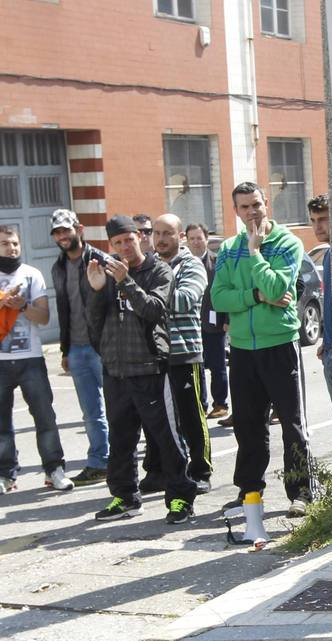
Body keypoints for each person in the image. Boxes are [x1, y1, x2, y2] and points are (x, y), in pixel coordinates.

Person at [209, 183, 313, 518]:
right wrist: (254, 297)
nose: (251, 212)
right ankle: (249, 490)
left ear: (266, 203)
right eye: (244, 207)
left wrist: (255, 255)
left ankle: (301, 493)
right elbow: (218, 298)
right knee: (248, 425)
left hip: (279, 343)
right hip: (241, 348)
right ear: (236, 211)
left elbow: (278, 287)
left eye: (256, 205)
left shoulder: (286, 243)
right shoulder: (227, 248)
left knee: (292, 424)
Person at [85, 215, 196, 524]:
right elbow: (93, 324)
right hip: (116, 370)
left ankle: (180, 498)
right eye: (117, 243)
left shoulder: (158, 270)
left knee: (166, 437)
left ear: (139, 238)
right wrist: (96, 291)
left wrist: (126, 282)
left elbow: (153, 309)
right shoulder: (105, 275)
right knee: (120, 439)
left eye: (129, 240)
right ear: (111, 245)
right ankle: (125, 497)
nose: (124, 247)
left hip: (150, 367)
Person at [142, 214, 212, 492]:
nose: (160, 239)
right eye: (156, 233)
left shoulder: (191, 265)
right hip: (153, 355)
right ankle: (158, 470)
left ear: (180, 236)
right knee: (156, 418)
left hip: (185, 351)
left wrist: (152, 291)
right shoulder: (149, 266)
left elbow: (185, 300)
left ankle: (201, 471)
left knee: (191, 415)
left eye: (167, 233)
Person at [0, 225, 71, 494]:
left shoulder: (32, 275)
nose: (12, 248)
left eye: (15, 243)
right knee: (1, 424)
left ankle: (54, 470)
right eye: (6, 243)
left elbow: (43, 318)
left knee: (45, 418)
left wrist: (22, 306)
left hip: (31, 358)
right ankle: (6, 475)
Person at [49, 209, 110, 484]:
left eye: (66, 230)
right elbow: (64, 310)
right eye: (57, 232)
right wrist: (64, 350)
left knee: (121, 405)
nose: (62, 236)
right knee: (90, 412)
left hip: (103, 346)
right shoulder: (57, 267)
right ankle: (100, 461)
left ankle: (131, 458)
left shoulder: (100, 259)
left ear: (79, 229)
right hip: (76, 348)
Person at [187, 223, 229, 422]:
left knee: (218, 366)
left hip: (214, 323)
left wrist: (226, 319)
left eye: (199, 237)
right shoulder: (183, 263)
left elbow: (226, 289)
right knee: (197, 367)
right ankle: (200, 405)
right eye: (192, 238)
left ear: (206, 239)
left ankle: (220, 403)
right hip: (190, 326)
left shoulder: (217, 262)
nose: (196, 242)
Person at [308, 194, 332, 407]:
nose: (318, 226)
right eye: (314, 220)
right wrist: (326, 342)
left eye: (323, 218)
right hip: (331, 350)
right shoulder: (328, 254)